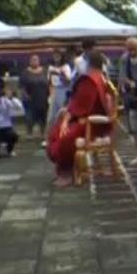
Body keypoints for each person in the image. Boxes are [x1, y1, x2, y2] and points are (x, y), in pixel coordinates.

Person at [47, 51, 115, 188]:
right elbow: (78, 103)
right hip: (92, 119)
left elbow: (81, 105)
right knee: (57, 129)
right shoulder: (98, 76)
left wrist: (68, 117)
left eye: (82, 61)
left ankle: (66, 172)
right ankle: (67, 169)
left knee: (64, 136)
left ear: (89, 63)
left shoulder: (90, 79)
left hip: (92, 123)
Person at [20, 54, 49, 138]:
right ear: (30, 61)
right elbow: (21, 87)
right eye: (33, 60)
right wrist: (25, 95)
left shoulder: (45, 71)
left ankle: (43, 133)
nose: (35, 61)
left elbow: (50, 83)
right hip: (30, 99)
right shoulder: (25, 72)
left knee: (43, 116)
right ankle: (29, 133)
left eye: (36, 59)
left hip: (43, 98)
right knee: (30, 117)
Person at [47, 50, 73, 128]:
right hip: (54, 90)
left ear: (61, 57)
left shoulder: (66, 67)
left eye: (58, 56)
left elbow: (68, 81)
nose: (56, 58)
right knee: (51, 116)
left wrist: (61, 74)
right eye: (54, 56)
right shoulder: (50, 67)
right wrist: (50, 93)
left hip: (63, 90)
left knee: (61, 112)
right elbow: (49, 82)